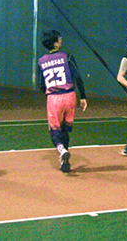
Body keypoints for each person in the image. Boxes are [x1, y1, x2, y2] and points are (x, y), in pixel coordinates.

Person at [37, 30, 88, 173]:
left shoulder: (41, 61)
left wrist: (49, 94)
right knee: (65, 130)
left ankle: (61, 150)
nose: (61, 40)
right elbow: (77, 76)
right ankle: (65, 162)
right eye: (59, 39)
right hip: (70, 96)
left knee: (54, 131)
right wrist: (83, 96)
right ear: (55, 43)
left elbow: (41, 84)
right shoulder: (67, 56)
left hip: (54, 97)